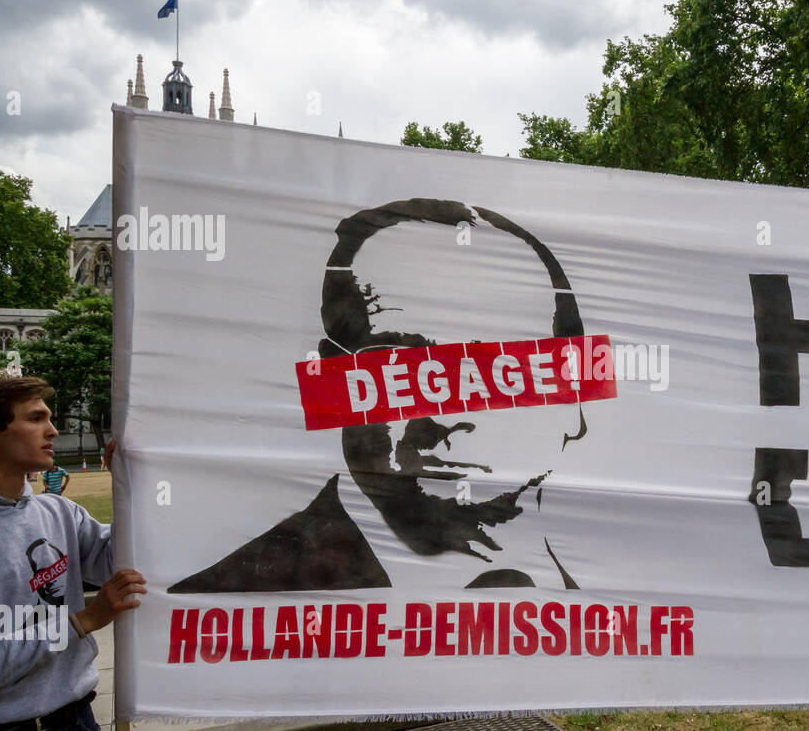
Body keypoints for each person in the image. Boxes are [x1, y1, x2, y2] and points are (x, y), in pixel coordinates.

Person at [170, 198, 593, 595]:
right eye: (401, 365)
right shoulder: (221, 600)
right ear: (333, 382)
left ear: (572, 402)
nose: (451, 410)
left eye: (500, 367)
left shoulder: (636, 596)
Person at [0, 375, 146, 731]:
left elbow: (118, 566)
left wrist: (129, 488)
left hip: (79, 728)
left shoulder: (59, 511)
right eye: (36, 418)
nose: (53, 430)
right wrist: (81, 623)